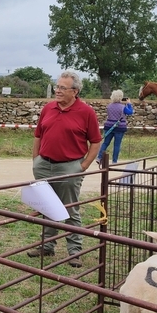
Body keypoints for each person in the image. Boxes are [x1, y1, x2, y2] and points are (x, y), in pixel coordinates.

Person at [28, 70, 101, 268]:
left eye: (62, 88)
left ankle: (74, 251)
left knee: (70, 208)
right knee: (47, 206)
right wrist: (37, 160)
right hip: (44, 165)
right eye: (56, 86)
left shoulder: (86, 112)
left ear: (75, 91)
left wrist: (83, 166)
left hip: (70, 167)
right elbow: (38, 135)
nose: (57, 91)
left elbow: (95, 142)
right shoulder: (48, 108)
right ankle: (47, 245)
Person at [97, 89, 134, 165]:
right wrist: (129, 104)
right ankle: (114, 161)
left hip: (109, 126)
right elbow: (130, 112)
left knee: (105, 143)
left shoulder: (109, 106)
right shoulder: (123, 107)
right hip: (120, 127)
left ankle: (99, 157)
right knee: (117, 144)